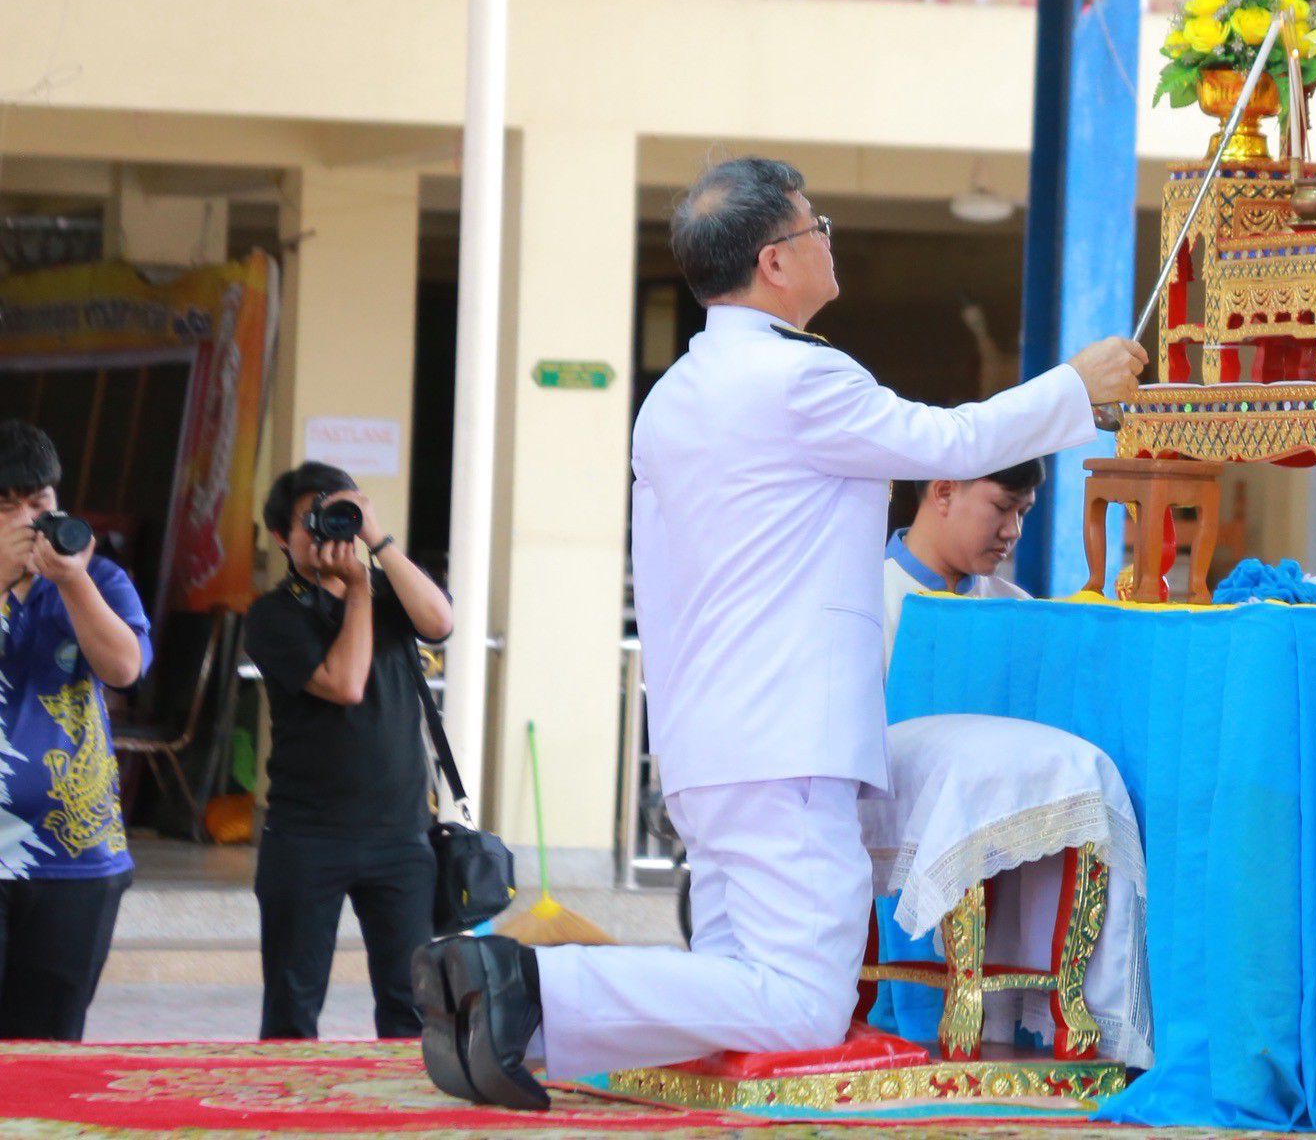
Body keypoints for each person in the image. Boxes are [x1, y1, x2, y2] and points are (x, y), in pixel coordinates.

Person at [413, 155, 1144, 1110]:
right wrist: (1073, 388)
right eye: (816, 227)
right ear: (774, 262)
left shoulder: (676, 393)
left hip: (705, 735)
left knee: (735, 976)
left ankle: (514, 1012)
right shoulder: (799, 381)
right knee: (802, 1002)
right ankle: (524, 980)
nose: (829, 239)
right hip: (787, 736)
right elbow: (952, 443)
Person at [244, 462, 454, 1042]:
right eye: (310, 523)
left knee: (411, 1009)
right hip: (307, 836)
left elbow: (439, 621)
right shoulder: (273, 614)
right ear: (281, 538)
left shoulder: (390, 591)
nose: (326, 533)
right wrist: (358, 590)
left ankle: (408, 1122)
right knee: (292, 1007)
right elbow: (345, 682)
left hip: (401, 835)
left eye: (336, 517)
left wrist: (378, 541)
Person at [0, 421, 150, 1040]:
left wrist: (73, 581)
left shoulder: (100, 581)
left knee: (49, 1051)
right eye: (7, 507)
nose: (27, 522)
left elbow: (124, 668)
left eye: (39, 505)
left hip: (76, 860)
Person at [881, 461, 1041, 676]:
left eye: (1022, 512)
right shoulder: (867, 601)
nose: (1014, 531)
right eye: (1002, 507)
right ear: (945, 492)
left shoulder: (1020, 609)